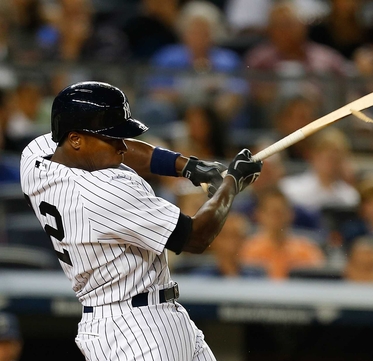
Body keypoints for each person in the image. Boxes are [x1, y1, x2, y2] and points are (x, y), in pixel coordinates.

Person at [20, 81, 263, 360]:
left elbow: (126, 151)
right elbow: (196, 237)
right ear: (75, 139)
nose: (122, 146)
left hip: (151, 315)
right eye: (112, 138)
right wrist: (232, 183)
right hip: (132, 331)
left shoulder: (36, 158)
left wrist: (188, 166)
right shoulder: (101, 194)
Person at [240, 187, 326, 280]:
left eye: (281, 212)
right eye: (272, 213)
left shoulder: (307, 251)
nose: (277, 218)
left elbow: (317, 283)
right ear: (259, 215)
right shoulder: (247, 250)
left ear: (291, 214)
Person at [279, 128, 359, 213]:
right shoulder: (289, 189)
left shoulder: (349, 196)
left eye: (335, 159)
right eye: (327, 158)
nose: (330, 163)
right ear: (313, 156)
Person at [189, 212, 265, 278]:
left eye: (236, 236)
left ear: (243, 240)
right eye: (225, 236)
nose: (231, 242)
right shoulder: (200, 277)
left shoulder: (256, 275)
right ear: (213, 240)